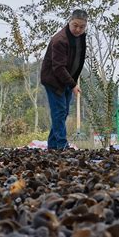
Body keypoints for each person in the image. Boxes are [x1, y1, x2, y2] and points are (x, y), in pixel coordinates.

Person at [40, 9, 87, 150]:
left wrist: (72, 81)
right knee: (59, 112)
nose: (78, 29)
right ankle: (62, 145)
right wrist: (73, 84)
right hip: (54, 80)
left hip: (67, 79)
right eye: (75, 25)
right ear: (69, 22)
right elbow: (58, 67)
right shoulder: (60, 40)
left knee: (63, 113)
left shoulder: (80, 37)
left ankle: (53, 146)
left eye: (82, 26)